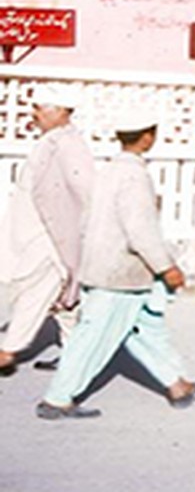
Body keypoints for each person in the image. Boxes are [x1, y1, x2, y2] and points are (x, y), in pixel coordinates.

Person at [36, 112, 195, 419]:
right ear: (148, 136)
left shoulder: (107, 172)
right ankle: (58, 399)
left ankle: (178, 385)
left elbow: (87, 222)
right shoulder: (134, 176)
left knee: (146, 329)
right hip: (119, 273)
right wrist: (165, 267)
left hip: (107, 268)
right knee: (92, 338)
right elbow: (140, 230)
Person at [0, 85, 94, 376]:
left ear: (62, 111)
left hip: (50, 238)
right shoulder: (52, 141)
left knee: (36, 293)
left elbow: (86, 191)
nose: (35, 114)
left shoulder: (69, 146)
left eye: (41, 108)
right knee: (64, 303)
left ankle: (7, 351)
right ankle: (73, 358)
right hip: (32, 234)